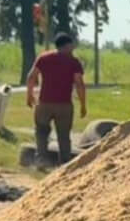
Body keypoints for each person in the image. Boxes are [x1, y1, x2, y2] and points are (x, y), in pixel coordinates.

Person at [25, 32, 86, 165]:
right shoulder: (74, 62)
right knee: (64, 136)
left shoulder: (43, 58)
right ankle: (65, 164)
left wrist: (29, 95)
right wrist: (83, 104)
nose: (73, 48)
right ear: (67, 45)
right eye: (72, 45)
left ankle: (41, 160)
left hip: (44, 103)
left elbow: (31, 77)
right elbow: (79, 84)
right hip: (64, 105)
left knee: (41, 132)